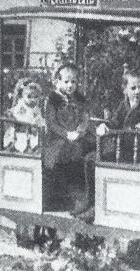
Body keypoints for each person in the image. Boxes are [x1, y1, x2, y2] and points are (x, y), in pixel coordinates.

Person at [71, 69, 140, 222]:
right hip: (123, 146)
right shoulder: (124, 104)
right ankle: (90, 200)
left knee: (103, 158)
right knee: (90, 158)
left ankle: (99, 207)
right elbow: (115, 122)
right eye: (133, 88)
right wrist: (105, 126)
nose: (138, 91)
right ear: (125, 90)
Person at [43, 63, 92, 207]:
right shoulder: (53, 99)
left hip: (77, 136)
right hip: (57, 139)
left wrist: (80, 130)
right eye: (66, 81)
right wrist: (66, 134)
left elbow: (85, 118)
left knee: (89, 148)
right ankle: (63, 196)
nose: (70, 85)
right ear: (58, 82)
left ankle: (84, 194)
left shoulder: (79, 99)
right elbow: (51, 122)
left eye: (74, 82)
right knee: (63, 152)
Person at [3, 78, 45, 153]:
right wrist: (11, 115)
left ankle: (33, 149)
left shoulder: (36, 108)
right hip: (20, 129)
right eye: (29, 97)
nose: (33, 100)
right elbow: (16, 114)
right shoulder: (21, 105)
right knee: (14, 133)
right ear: (22, 96)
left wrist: (38, 122)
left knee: (36, 137)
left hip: (31, 131)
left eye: (35, 97)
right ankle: (12, 146)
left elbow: (39, 118)